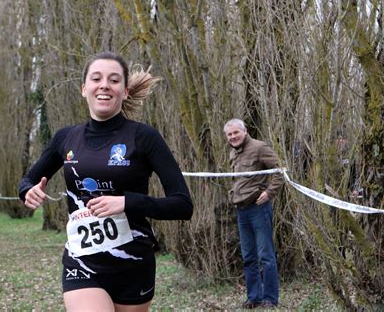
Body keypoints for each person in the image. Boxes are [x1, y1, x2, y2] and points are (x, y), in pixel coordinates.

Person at [18, 51, 193, 311]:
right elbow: (29, 179)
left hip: (132, 262)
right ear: (84, 88)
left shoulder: (144, 137)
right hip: (82, 261)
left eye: (113, 80)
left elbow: (182, 205)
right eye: (96, 78)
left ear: (124, 91)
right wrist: (27, 191)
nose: (104, 85)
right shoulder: (66, 138)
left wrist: (126, 202)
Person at [223, 118, 284, 309]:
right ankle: (254, 298)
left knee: (266, 256)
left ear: (245, 131)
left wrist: (269, 193)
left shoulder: (259, 147)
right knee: (248, 257)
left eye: (236, 133)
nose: (233, 137)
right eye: (229, 134)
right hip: (242, 211)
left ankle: (270, 299)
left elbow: (280, 171)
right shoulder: (233, 152)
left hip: (259, 209)